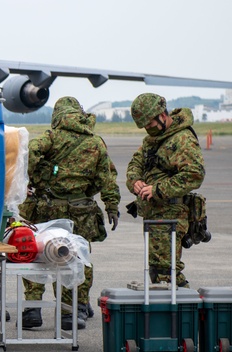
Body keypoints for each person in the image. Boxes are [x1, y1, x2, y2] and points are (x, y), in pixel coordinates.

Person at [18, 96, 120, 330]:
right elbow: (107, 178)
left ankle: (33, 308)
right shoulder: (95, 142)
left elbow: (30, 153)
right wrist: (112, 205)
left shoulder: (49, 138)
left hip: (47, 208)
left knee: (37, 252)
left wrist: (34, 179)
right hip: (81, 211)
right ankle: (72, 311)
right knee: (76, 257)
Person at [126, 93, 205, 288]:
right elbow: (136, 163)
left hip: (170, 214)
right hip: (155, 215)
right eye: (144, 126)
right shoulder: (152, 140)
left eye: (150, 124)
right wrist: (134, 181)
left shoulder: (182, 139)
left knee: (166, 272)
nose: (148, 129)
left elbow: (194, 174)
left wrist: (158, 190)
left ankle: (181, 312)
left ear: (162, 115)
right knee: (159, 270)